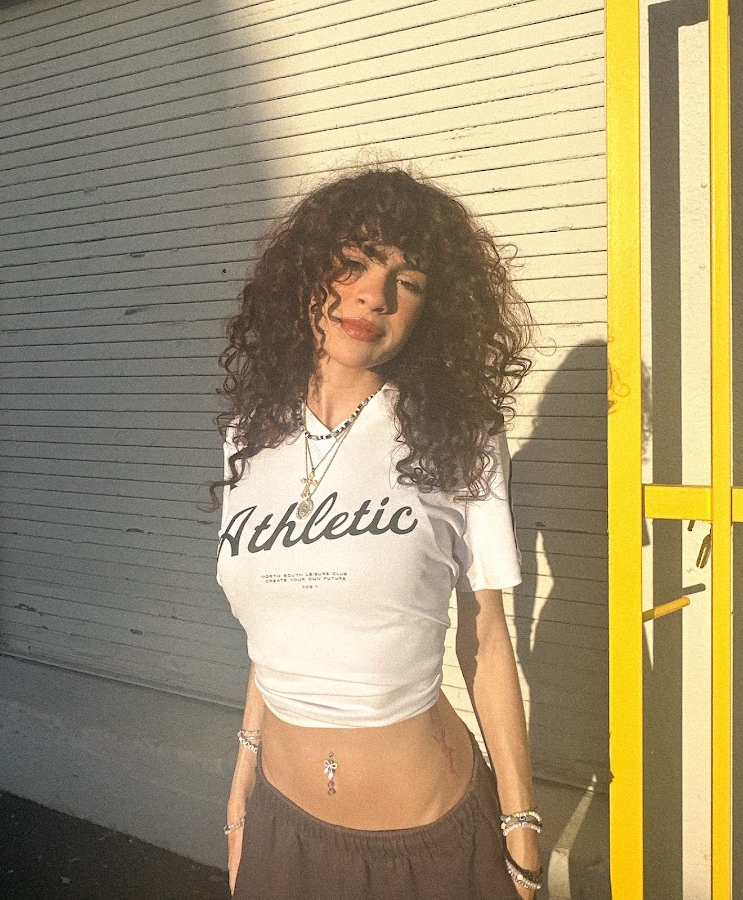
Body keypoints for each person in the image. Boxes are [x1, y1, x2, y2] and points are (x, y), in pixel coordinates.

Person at [209, 165, 543, 899]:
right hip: (282, 831)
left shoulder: (457, 437)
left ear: (431, 309)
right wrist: (240, 793)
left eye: (407, 280)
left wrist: (521, 826)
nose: (374, 295)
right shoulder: (248, 437)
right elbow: (278, 630)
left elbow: (486, 637)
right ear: (304, 275)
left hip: (430, 845)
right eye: (353, 263)